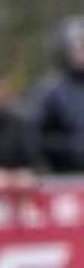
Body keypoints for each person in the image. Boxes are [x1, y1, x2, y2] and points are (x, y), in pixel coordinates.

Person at [31, 15, 84, 174]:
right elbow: (35, 138)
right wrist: (74, 146)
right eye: (80, 47)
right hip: (65, 176)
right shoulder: (50, 91)